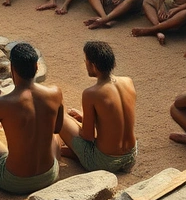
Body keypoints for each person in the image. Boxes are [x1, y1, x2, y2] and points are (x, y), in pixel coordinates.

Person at [0, 43, 63, 195]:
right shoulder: (55, 92)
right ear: (36, 66)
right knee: (53, 135)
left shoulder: (1, 103)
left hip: (14, 183)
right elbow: (57, 129)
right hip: (50, 176)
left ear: (12, 68)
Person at [58, 41, 137, 173]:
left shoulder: (91, 93)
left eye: (86, 62)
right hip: (131, 157)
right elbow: (114, 118)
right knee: (76, 120)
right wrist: (84, 118)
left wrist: (76, 123)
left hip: (105, 162)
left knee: (61, 117)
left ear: (93, 66)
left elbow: (87, 136)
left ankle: (70, 152)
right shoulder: (128, 81)